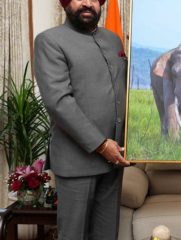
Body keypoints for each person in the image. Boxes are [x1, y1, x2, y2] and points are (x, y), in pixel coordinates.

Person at [34, 0, 129, 239]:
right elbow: (59, 102)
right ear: (65, 3)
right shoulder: (50, 40)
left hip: (114, 160)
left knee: (107, 234)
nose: (87, 3)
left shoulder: (113, 40)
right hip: (77, 162)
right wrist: (100, 144)